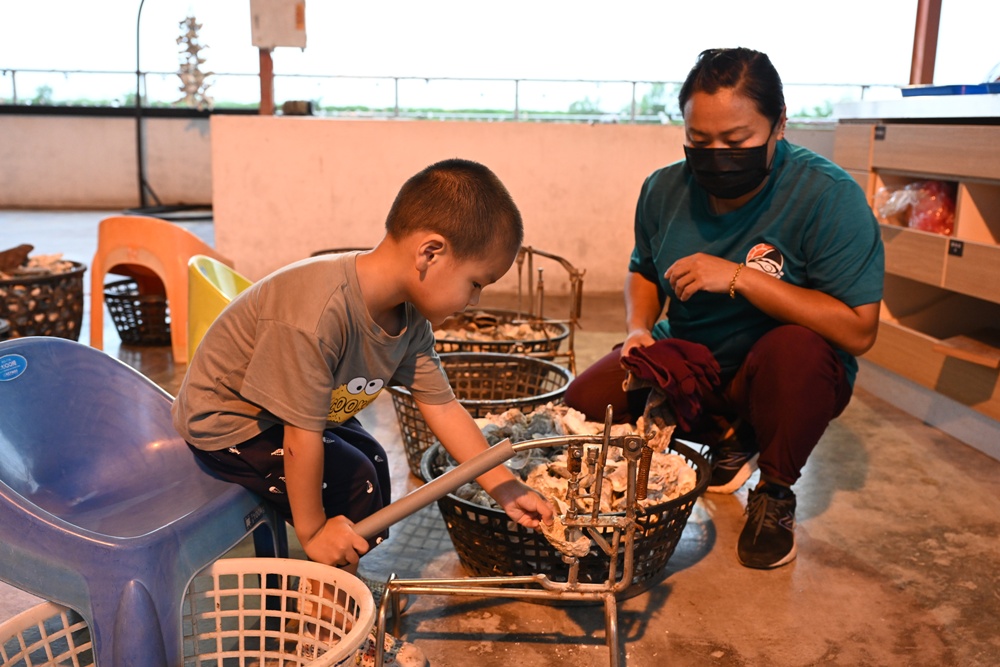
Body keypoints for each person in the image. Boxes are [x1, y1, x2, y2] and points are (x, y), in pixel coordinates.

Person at [172, 158, 554, 665]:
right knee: (354, 476)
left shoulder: (409, 322)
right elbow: (301, 438)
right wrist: (312, 532)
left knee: (372, 458)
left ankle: (339, 577)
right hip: (229, 422)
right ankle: (323, 609)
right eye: (477, 283)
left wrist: (504, 487)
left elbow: (442, 406)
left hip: (293, 413)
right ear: (431, 253)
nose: (475, 299)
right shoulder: (318, 314)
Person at [563, 47, 884, 570]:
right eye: (699, 140)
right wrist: (640, 328)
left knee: (796, 351)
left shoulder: (827, 196)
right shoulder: (664, 188)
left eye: (736, 141)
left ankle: (775, 492)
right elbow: (644, 267)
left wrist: (740, 278)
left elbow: (858, 330)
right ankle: (729, 437)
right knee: (584, 406)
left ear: (780, 124)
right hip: (695, 354)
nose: (717, 154)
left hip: (781, 370)